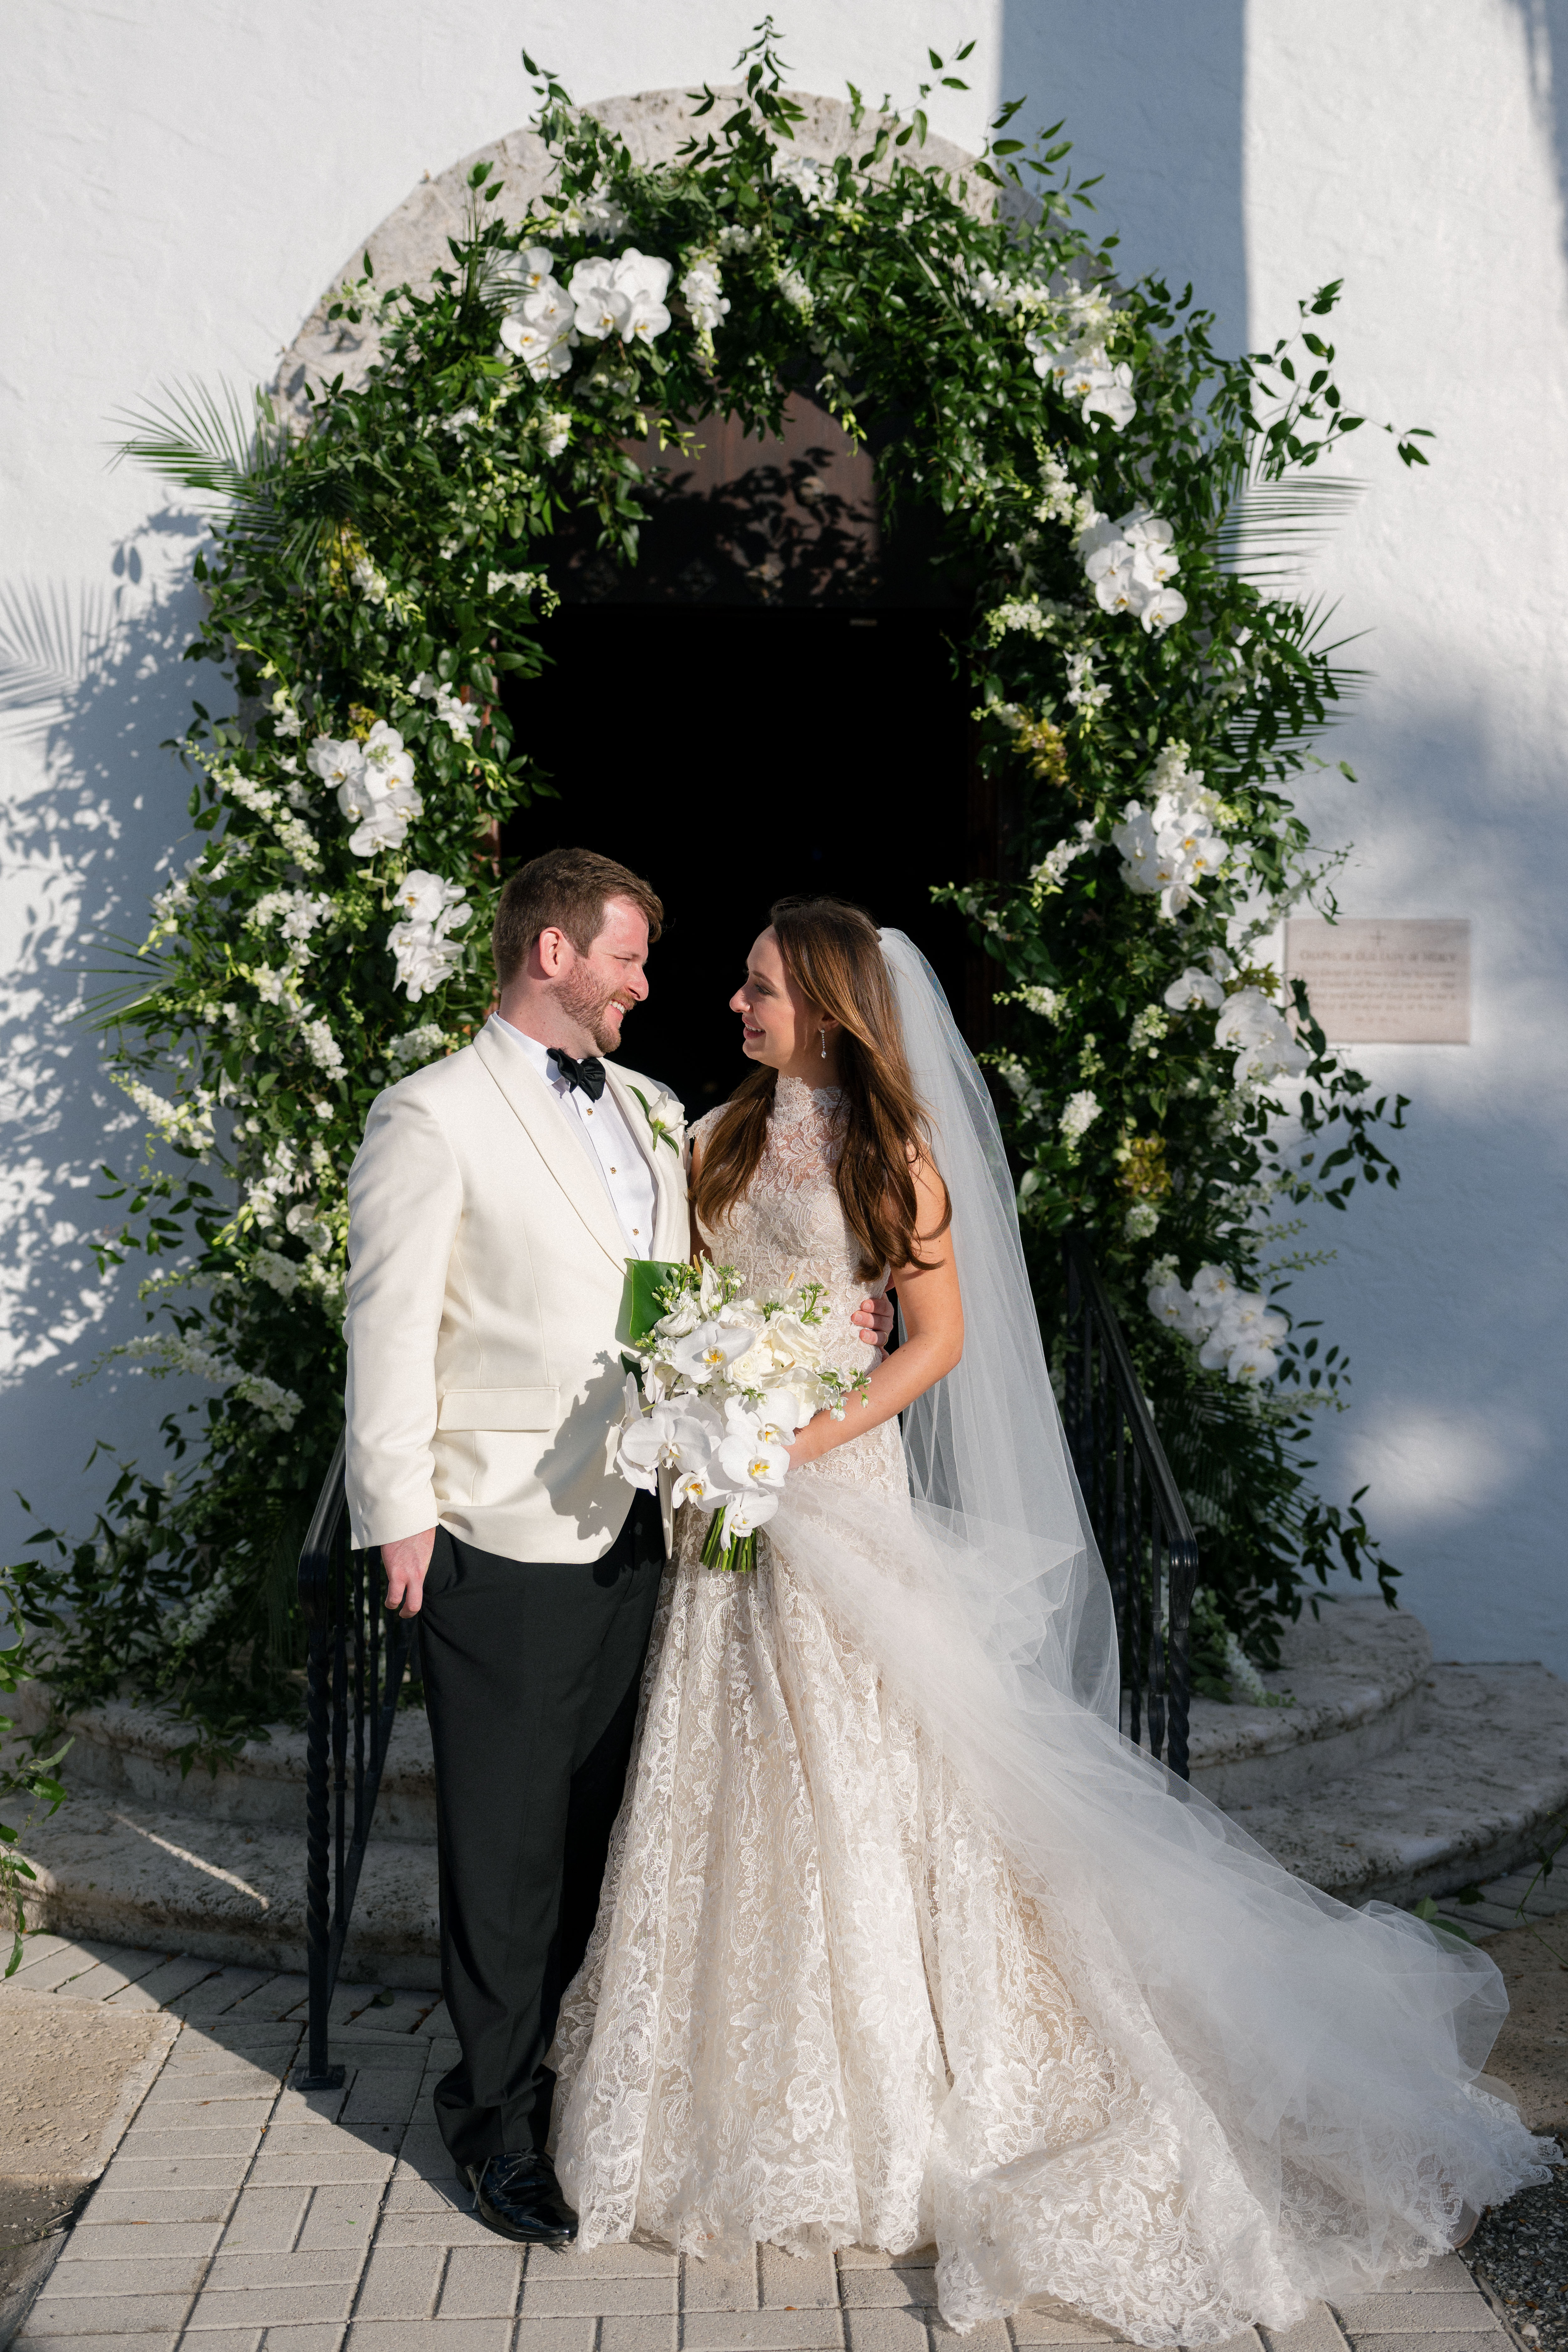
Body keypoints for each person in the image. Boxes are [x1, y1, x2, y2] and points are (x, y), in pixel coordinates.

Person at [549, 896, 1554, 2348]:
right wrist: (702, 1407)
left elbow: (937, 1335)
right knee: (728, 1782)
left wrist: (803, 1434)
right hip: (723, 1512)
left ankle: (901, 2094)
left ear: (826, 1004)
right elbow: (677, 1298)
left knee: (872, 1783)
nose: (736, 1003)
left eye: (759, 986)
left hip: (833, 1488)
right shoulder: (711, 1136)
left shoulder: (897, 1153)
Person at [343, 849, 891, 2250]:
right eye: (631, 960)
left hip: (651, 1526)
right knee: (507, 1850)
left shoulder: (657, 1112)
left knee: (609, 1832)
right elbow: (390, 1322)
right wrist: (397, 1507)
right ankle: (495, 2122)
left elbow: (721, 1275)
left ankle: (585, 2090)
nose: (654, 987)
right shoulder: (431, 1116)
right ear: (552, 955)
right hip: (501, 1526)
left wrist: (845, 1326)